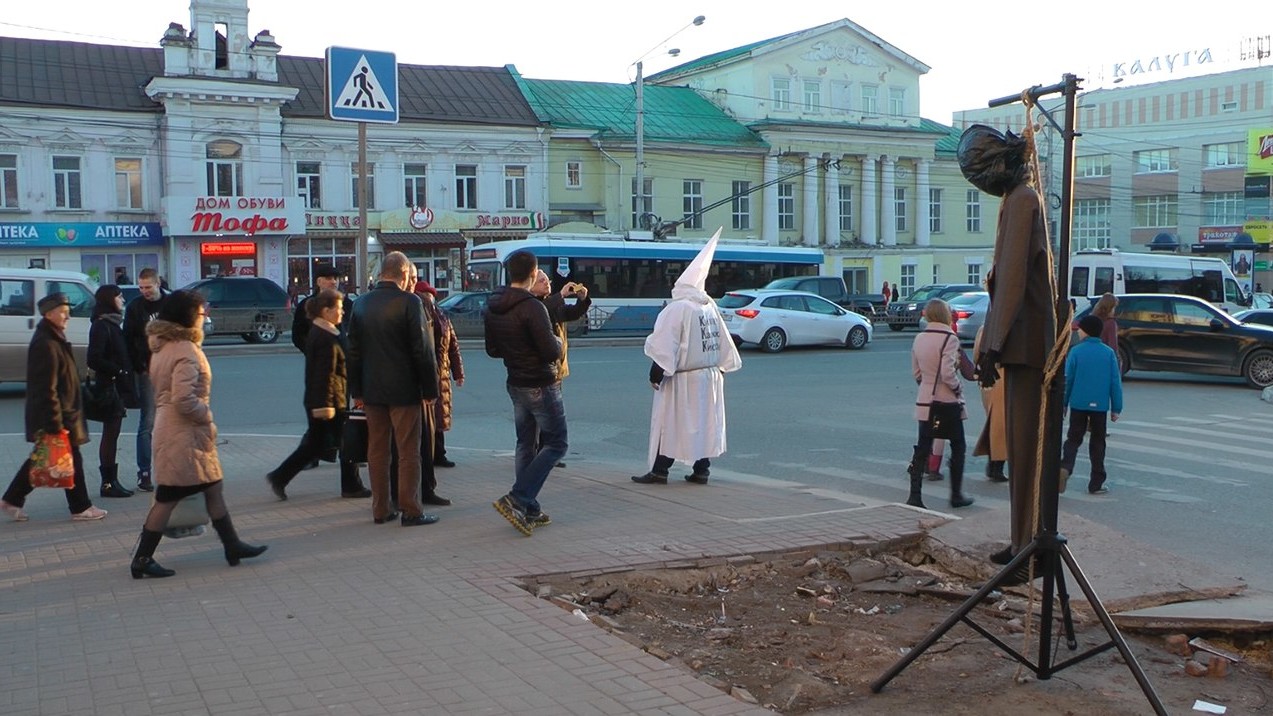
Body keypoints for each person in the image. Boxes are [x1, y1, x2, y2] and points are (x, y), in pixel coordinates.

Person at [960, 124, 1055, 563]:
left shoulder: (1022, 201)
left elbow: (1012, 278)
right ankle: (1023, 543)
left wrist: (991, 346)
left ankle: (1029, 548)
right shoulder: (1016, 200)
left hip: (1025, 344)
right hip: (1019, 343)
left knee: (1028, 450)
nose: (980, 182)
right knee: (1019, 450)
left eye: (980, 171)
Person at [129, 290, 266, 578]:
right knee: (167, 497)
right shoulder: (186, 350)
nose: (205, 317)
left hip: (174, 430)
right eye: (202, 313)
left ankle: (232, 545)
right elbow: (183, 399)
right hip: (184, 433)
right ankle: (142, 558)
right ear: (189, 317)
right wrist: (207, 416)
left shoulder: (163, 346)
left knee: (212, 486)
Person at [631, 232, 743, 486]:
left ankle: (660, 470)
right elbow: (724, 341)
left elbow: (664, 346)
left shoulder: (679, 309)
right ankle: (702, 469)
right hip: (709, 377)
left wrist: (655, 374)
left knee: (670, 424)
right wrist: (720, 368)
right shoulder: (709, 307)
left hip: (683, 380)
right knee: (702, 424)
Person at [347, 251, 440, 527]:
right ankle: (411, 510)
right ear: (403, 274)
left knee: (377, 450)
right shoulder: (410, 302)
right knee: (409, 450)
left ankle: (381, 509)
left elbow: (353, 351)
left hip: (372, 391)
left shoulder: (361, 304)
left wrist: (357, 391)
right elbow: (422, 350)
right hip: (405, 390)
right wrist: (429, 389)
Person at [0, 293, 109, 522]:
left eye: (67, 310)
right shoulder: (46, 343)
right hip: (57, 415)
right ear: (49, 314)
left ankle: (12, 499)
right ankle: (80, 507)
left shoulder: (53, 337)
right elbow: (45, 387)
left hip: (63, 413)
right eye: (62, 311)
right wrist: (54, 423)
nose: (67, 315)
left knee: (44, 458)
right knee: (64, 459)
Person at [485, 250, 565, 535]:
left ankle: (529, 507)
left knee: (525, 444)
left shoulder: (492, 304)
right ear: (533, 274)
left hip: (515, 381)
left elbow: (492, 350)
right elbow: (550, 350)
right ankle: (518, 498)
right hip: (540, 383)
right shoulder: (533, 307)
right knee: (556, 444)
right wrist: (556, 340)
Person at [266, 289, 351, 500]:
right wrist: (325, 405)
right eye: (338, 309)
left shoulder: (324, 332)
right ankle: (351, 485)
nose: (342, 313)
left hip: (325, 399)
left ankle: (280, 476)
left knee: (316, 445)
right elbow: (324, 375)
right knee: (337, 443)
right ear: (326, 311)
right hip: (327, 402)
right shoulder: (325, 337)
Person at [906, 299, 975, 510]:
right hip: (947, 402)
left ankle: (915, 495)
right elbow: (948, 372)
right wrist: (956, 388)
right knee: (958, 446)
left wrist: (927, 384)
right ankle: (955, 495)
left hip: (925, 400)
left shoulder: (920, 338)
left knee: (922, 446)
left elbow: (916, 373)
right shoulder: (950, 338)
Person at [531, 269, 591, 468]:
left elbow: (569, 314)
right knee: (539, 415)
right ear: (531, 284)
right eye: (541, 281)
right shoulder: (532, 304)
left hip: (555, 368)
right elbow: (542, 311)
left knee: (552, 414)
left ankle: (547, 453)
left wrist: (583, 301)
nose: (546, 283)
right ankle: (536, 453)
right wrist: (561, 295)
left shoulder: (551, 302)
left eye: (547, 280)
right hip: (540, 370)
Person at [1059, 315, 1124, 496]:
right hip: (1100, 406)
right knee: (1098, 442)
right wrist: (1116, 408)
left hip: (1078, 403)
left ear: (1086, 331)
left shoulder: (1076, 352)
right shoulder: (1108, 353)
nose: (1077, 331)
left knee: (1073, 438)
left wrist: (1064, 404)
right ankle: (1096, 482)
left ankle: (1066, 466)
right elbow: (1114, 382)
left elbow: (1068, 379)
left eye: (1080, 329)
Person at [87, 284, 135, 498]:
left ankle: (111, 480)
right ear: (109, 299)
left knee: (113, 433)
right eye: (119, 296)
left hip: (116, 386)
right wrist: (118, 370)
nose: (123, 300)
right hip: (109, 387)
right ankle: (108, 483)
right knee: (110, 434)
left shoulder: (113, 323)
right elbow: (94, 358)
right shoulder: (101, 325)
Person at [123, 267, 168, 492]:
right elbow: (129, 339)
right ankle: (144, 472)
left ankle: (170, 470)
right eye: (141, 288)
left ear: (158, 283)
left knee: (172, 420)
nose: (144, 292)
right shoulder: (135, 307)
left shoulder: (171, 304)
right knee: (148, 421)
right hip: (147, 370)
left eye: (148, 287)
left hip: (170, 369)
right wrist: (139, 366)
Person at [415, 281, 465, 469]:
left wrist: (458, 372)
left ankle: (439, 453)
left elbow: (453, 347)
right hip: (428, 372)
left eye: (430, 295)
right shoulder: (419, 316)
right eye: (425, 295)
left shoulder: (443, 316)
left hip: (441, 371)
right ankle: (429, 454)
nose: (429, 298)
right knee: (428, 417)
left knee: (440, 415)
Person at [971, 327, 1008, 483]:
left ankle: (995, 464)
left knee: (995, 423)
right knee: (1001, 425)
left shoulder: (984, 327)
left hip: (988, 379)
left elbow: (976, 355)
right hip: (1002, 376)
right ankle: (996, 465)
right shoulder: (1005, 328)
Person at [292, 264, 346, 352]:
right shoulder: (307, 305)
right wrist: (312, 351)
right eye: (329, 278)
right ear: (319, 281)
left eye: (336, 278)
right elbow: (298, 335)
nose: (334, 282)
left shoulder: (346, 303)